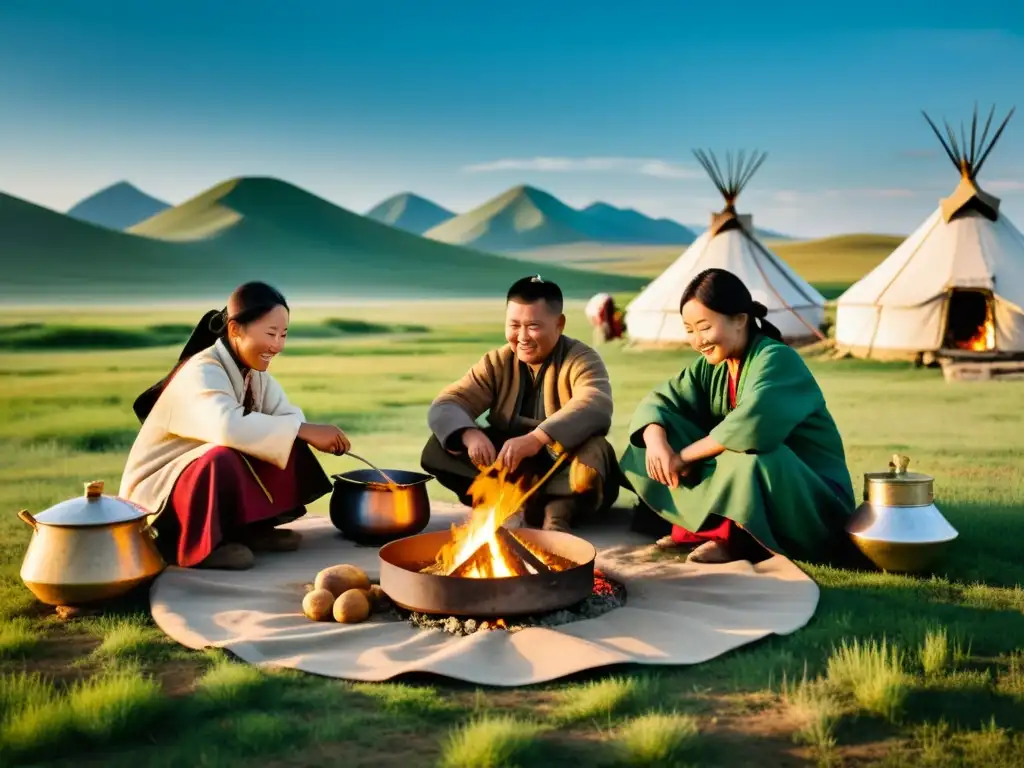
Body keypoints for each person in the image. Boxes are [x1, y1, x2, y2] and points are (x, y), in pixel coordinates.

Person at [618, 268, 856, 564]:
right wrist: (657, 444)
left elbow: (753, 426)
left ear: (740, 320)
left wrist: (684, 458)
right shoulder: (711, 365)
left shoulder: (778, 359)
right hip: (762, 473)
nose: (697, 340)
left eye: (704, 327)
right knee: (654, 436)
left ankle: (738, 541)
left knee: (750, 458)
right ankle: (699, 529)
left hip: (814, 497)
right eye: (689, 330)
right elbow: (661, 401)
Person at [119, 281, 349, 570]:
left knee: (285, 439)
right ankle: (193, 546)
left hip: (190, 475)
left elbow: (285, 417)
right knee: (224, 456)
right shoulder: (201, 370)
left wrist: (309, 430)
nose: (278, 345)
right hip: (158, 496)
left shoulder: (254, 374)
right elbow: (226, 427)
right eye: (270, 333)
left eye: (283, 335)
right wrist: (301, 429)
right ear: (235, 330)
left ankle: (250, 530)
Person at [420, 275, 620, 532]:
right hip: (512, 467)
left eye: (533, 326)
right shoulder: (497, 361)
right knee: (439, 446)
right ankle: (501, 504)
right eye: (514, 325)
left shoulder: (582, 359)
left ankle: (557, 516)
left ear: (559, 324)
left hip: (561, 461)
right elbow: (448, 402)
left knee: (596, 453)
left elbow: (595, 403)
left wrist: (536, 439)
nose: (522, 336)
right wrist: (469, 435)